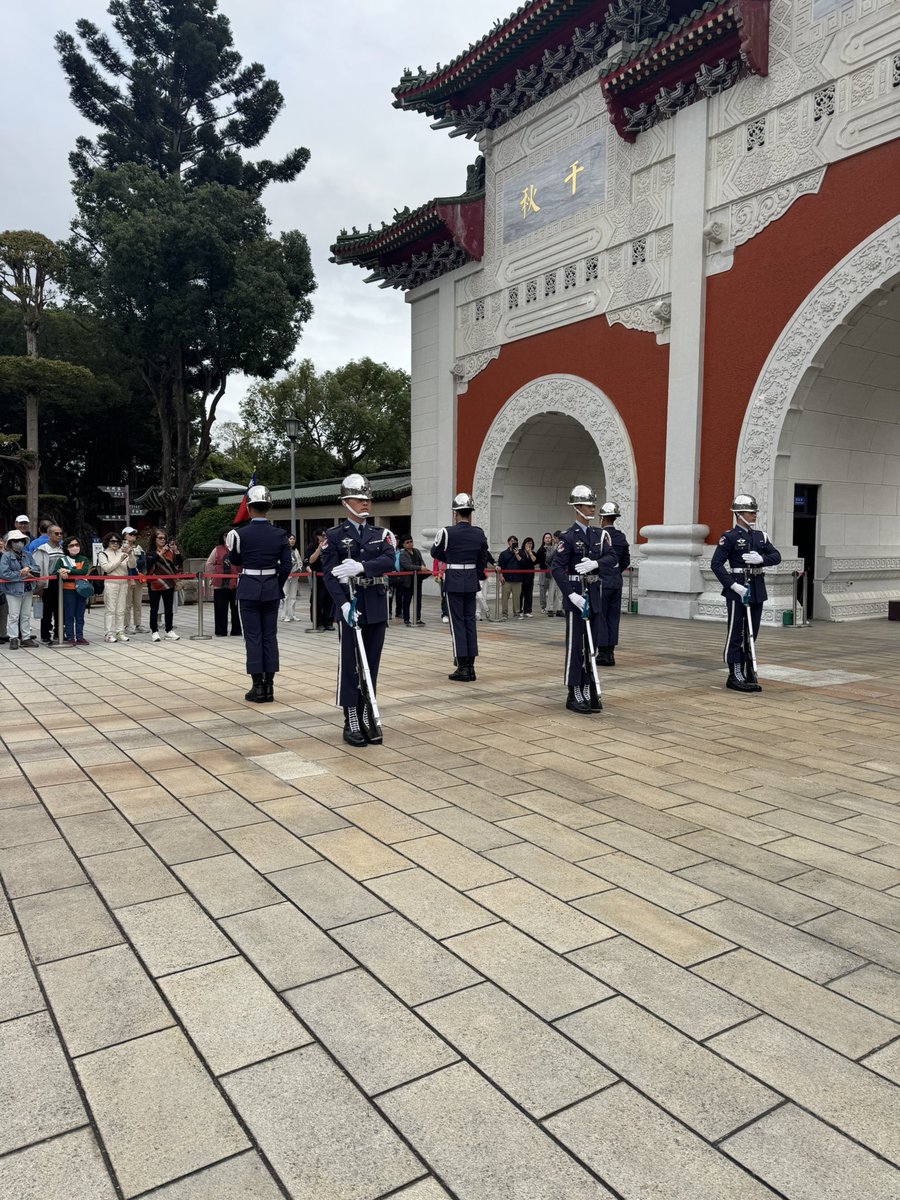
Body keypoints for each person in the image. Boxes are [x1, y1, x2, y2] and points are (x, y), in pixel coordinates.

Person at [322, 473, 395, 746]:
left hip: (375, 603)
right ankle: (351, 716)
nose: (365, 503)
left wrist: (363, 567)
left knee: (371, 664)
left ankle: (366, 713)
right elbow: (329, 575)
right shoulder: (334, 536)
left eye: (367, 499)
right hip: (350, 606)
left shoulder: (380, 535)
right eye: (359, 499)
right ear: (345, 502)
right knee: (351, 664)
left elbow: (390, 561)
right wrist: (342, 604)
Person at [551, 485, 619, 715]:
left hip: (594, 592)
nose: (593, 508)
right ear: (577, 507)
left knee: (593, 645)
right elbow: (557, 568)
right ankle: (573, 691)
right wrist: (571, 595)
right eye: (589, 504)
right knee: (576, 647)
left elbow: (613, 557)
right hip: (576, 596)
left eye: (593, 504)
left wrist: (596, 563)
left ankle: (588, 688)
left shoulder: (599, 535)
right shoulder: (568, 537)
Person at [226, 485, 292, 703]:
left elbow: (235, 561)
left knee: (253, 637)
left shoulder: (239, 534)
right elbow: (286, 565)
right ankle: (270, 686)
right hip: (271, 588)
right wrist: (275, 583)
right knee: (269, 637)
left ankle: (257, 687)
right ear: (269, 507)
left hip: (249, 588)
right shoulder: (280, 534)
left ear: (249, 507)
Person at [711, 493, 782, 693]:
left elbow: (776, 556)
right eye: (750, 512)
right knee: (736, 633)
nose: (754, 515)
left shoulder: (760, 536)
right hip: (738, 590)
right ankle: (734, 674)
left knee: (751, 633)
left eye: (754, 512)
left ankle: (748, 668)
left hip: (757, 589)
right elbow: (716, 564)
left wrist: (761, 559)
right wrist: (733, 586)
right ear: (739, 514)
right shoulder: (730, 537)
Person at [431, 492, 489, 681]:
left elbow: (435, 552)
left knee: (457, 624)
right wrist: (477, 573)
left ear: (455, 513)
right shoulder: (479, 532)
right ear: (470, 513)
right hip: (471, 579)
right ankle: (471, 666)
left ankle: (462, 667)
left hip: (454, 578)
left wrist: (452, 559)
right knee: (469, 622)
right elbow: (482, 558)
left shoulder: (447, 532)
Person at [594, 502, 631, 666]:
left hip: (602, 581)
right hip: (616, 582)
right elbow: (626, 561)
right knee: (613, 618)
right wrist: (615, 572)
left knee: (601, 616)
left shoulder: (599, 537)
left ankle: (603, 653)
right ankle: (611, 652)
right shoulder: (621, 537)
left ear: (602, 519)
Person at [0, 530, 39, 648]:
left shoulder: (27, 554)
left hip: (27, 588)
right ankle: (13, 638)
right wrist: (20, 574)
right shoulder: (6, 556)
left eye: (21, 540)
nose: (19, 543)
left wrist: (29, 569)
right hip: (13, 590)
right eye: (16, 541)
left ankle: (26, 637)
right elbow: (4, 573)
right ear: (11, 543)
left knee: (26, 614)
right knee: (14, 615)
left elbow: (37, 567)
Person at [145, 529, 183, 642]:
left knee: (168, 608)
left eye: (164, 538)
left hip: (169, 583)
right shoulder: (150, 552)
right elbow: (149, 564)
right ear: (154, 539)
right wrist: (160, 553)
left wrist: (176, 552)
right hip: (154, 583)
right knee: (154, 608)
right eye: (160, 538)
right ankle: (154, 631)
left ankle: (169, 630)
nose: (162, 540)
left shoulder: (170, 552)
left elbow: (178, 564)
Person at [53, 535, 93, 645]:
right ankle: (70, 637)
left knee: (80, 615)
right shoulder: (62, 560)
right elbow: (56, 571)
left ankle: (80, 636)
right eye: (71, 545)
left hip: (82, 590)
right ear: (66, 547)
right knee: (69, 615)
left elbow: (83, 571)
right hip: (67, 591)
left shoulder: (83, 559)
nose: (75, 547)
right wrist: (61, 572)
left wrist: (69, 570)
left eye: (76, 545)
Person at [205, 529, 242, 637]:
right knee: (220, 609)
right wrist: (214, 576)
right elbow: (210, 564)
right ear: (222, 537)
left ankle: (237, 630)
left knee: (236, 609)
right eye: (226, 535)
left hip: (236, 583)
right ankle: (221, 631)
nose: (227, 538)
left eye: (230, 535)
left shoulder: (238, 549)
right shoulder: (217, 549)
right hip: (220, 584)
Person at [32, 524, 64, 645]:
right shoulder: (42, 549)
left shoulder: (62, 548)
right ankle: (45, 634)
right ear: (49, 534)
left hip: (60, 583)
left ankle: (58, 633)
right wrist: (39, 584)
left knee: (59, 609)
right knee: (46, 610)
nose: (59, 536)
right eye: (56, 533)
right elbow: (37, 568)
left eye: (61, 533)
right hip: (47, 583)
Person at [98, 532, 132, 643]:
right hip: (111, 582)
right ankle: (108, 633)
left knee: (121, 609)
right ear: (107, 542)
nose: (115, 543)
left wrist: (130, 555)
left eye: (117, 541)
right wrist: (120, 560)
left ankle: (120, 632)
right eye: (113, 541)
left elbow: (132, 566)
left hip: (123, 582)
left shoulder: (122, 553)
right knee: (110, 609)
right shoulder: (103, 554)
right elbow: (107, 568)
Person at [304, 528, 334, 631]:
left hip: (329, 576)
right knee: (317, 600)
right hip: (318, 578)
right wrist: (319, 549)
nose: (325, 537)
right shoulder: (312, 546)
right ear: (317, 536)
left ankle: (328, 621)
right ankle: (317, 622)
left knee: (329, 600)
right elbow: (310, 560)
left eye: (326, 535)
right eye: (323, 535)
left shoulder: (330, 546)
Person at [122, 527, 146, 633]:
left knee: (138, 602)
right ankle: (126, 626)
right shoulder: (121, 548)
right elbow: (125, 565)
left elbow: (142, 562)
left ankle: (138, 624)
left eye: (134, 535)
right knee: (127, 603)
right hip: (126, 578)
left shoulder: (138, 548)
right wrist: (130, 577)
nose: (133, 536)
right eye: (130, 534)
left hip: (138, 577)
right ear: (124, 535)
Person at [497, 536, 526, 620]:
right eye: (511, 541)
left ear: (517, 543)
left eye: (514, 541)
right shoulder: (503, 554)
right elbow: (500, 566)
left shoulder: (521, 552)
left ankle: (516, 613)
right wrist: (500, 576)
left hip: (518, 579)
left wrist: (517, 554)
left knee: (517, 597)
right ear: (508, 542)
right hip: (506, 579)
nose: (513, 543)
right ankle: (504, 614)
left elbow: (523, 564)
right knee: (505, 597)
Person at [396, 536, 417, 626]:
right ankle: (406, 619)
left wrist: (422, 567)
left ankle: (417, 618)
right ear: (404, 545)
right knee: (406, 600)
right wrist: (420, 568)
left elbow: (422, 562)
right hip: (406, 581)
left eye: (411, 541)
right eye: (407, 542)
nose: (410, 543)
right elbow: (408, 566)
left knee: (417, 600)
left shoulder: (416, 551)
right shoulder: (403, 554)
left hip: (416, 580)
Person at [281, 534, 303, 622]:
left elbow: (299, 561)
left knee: (293, 595)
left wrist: (299, 568)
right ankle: (284, 615)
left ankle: (292, 614)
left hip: (295, 575)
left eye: (294, 539)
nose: (292, 540)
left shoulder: (296, 550)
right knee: (285, 595)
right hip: (286, 575)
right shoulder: (283, 550)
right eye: (290, 539)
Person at [519, 536, 538, 617]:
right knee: (520, 594)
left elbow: (534, 561)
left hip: (530, 576)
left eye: (531, 543)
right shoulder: (520, 552)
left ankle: (527, 611)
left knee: (529, 594)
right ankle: (519, 610)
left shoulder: (533, 553)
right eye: (528, 543)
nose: (529, 545)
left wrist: (530, 552)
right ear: (524, 544)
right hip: (521, 576)